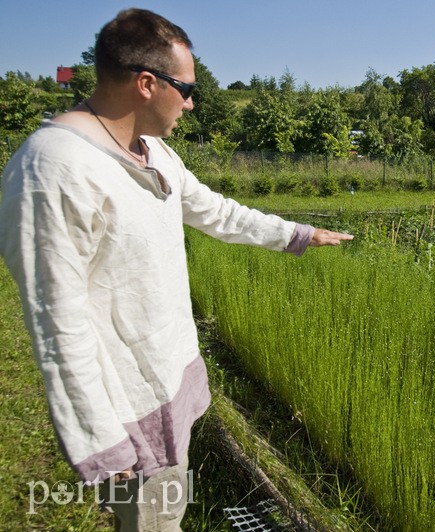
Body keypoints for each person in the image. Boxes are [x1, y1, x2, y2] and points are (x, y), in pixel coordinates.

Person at [0, 8, 352, 530]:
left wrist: (299, 234)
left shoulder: (154, 152)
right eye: (187, 89)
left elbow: (215, 210)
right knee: (149, 523)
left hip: (167, 377)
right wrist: (100, 441)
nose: (190, 103)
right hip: (125, 406)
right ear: (147, 83)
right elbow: (57, 322)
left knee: (170, 512)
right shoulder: (54, 169)